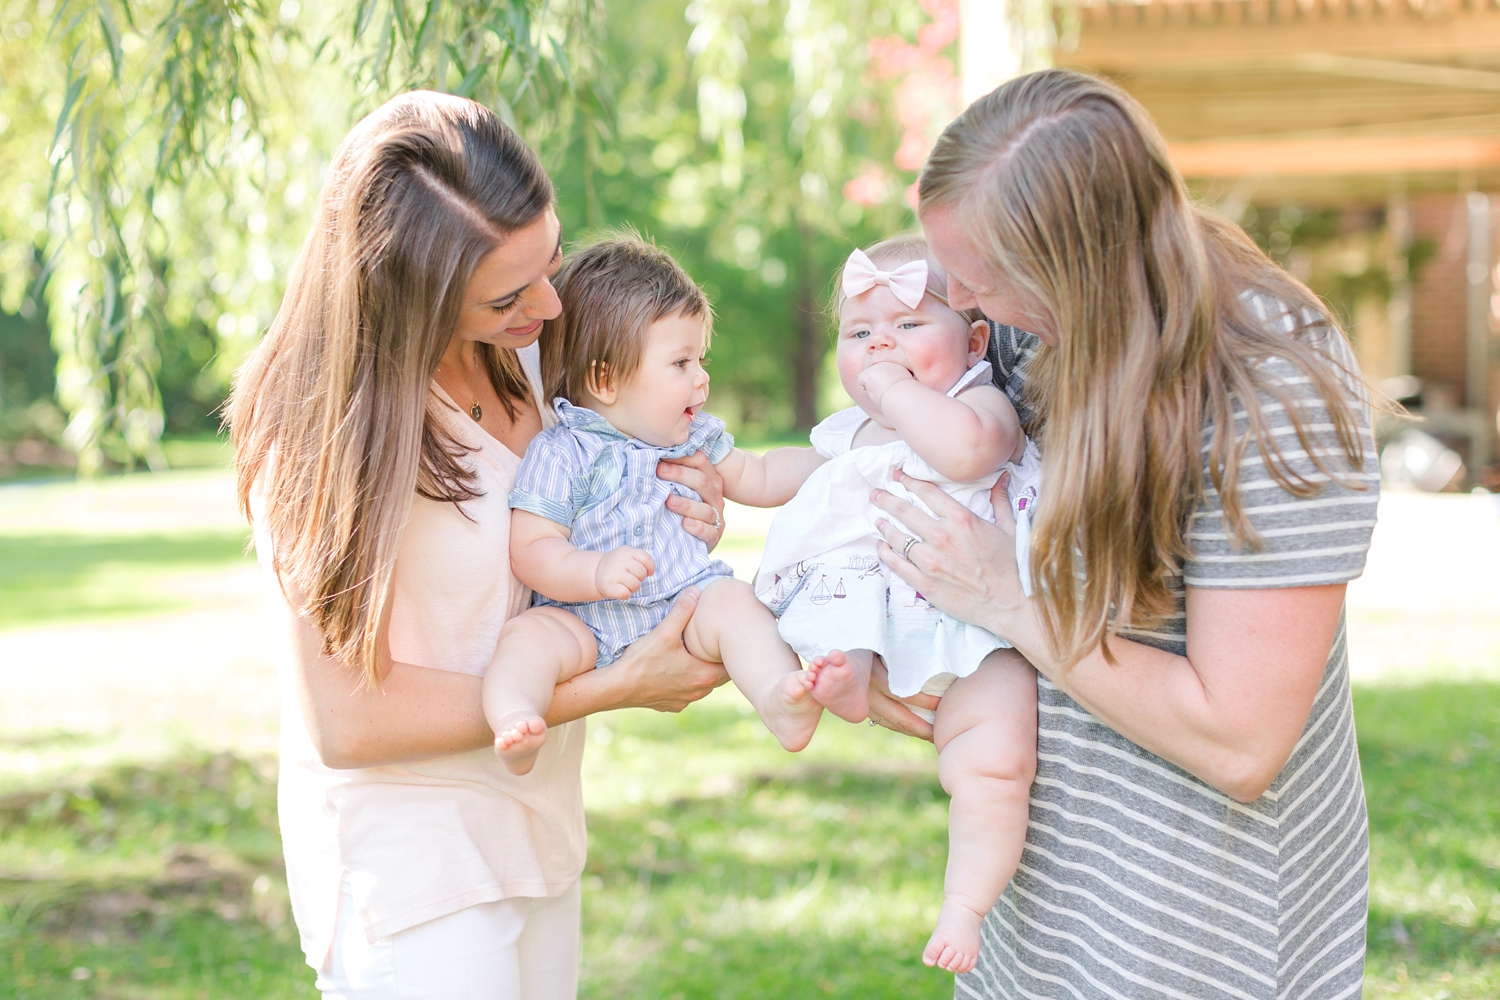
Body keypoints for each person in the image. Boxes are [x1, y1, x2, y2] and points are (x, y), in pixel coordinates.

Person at [870, 70, 1379, 999]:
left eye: (978, 277)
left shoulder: (1272, 389)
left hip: (1193, 936)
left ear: (1079, 267)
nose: (955, 299)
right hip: (1041, 920)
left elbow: (1240, 742)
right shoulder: (1031, 336)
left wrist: (1003, 602)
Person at [227, 92, 731, 1000]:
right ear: (410, 292)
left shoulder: (539, 350)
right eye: (508, 293)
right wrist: (614, 687)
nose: (549, 301)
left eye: (548, 256)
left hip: (536, 833)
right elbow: (348, 719)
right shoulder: (319, 426)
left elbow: (602, 497)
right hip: (415, 875)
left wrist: (686, 507)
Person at [753, 235, 1043, 973]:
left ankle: (966, 904)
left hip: (981, 637)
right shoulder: (854, 431)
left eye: (910, 323)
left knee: (996, 764)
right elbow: (790, 470)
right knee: (834, 614)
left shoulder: (981, 403)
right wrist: (723, 470)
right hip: (878, 609)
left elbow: (966, 455)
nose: (882, 342)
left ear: (975, 340)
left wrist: (893, 391)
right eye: (859, 333)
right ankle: (844, 677)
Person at [486, 235, 828, 771]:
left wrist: (837, 457)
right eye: (681, 363)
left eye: (700, 359)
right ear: (605, 379)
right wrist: (595, 571)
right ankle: (516, 718)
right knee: (527, 639)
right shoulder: (561, 451)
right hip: (583, 619)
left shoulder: (693, 437)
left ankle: (778, 696)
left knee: (736, 602)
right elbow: (531, 547)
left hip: (683, 602)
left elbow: (760, 475)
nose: (702, 377)